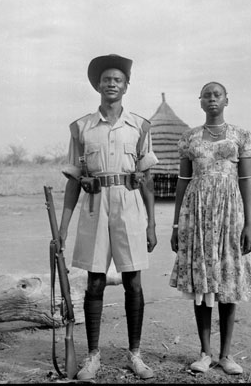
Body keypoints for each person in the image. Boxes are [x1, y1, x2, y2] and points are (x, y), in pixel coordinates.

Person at [59, 54, 158, 381]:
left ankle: (135, 354)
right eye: (106, 80)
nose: (112, 84)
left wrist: (152, 223)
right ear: (98, 86)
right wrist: (63, 228)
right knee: (95, 281)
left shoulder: (141, 126)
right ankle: (93, 356)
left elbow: (147, 178)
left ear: (126, 86)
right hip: (94, 206)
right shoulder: (81, 127)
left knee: (133, 280)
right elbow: (73, 181)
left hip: (129, 206)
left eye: (118, 80)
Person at [169, 81, 251, 376]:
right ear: (200, 102)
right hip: (197, 215)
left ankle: (227, 355)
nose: (212, 99)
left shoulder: (240, 136)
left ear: (226, 100)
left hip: (231, 214)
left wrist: (250, 225)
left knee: (229, 282)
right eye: (207, 95)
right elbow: (183, 181)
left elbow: (245, 182)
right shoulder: (189, 138)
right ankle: (205, 353)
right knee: (201, 284)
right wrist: (176, 223)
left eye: (217, 95)